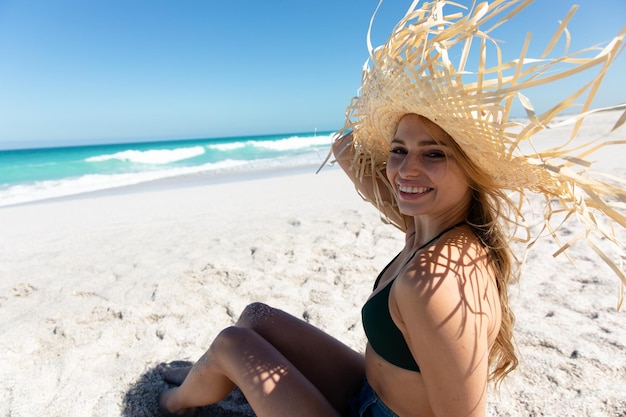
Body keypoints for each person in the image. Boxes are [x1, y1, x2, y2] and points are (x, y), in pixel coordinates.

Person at [157, 1, 625, 416]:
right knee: (256, 317)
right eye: (399, 150)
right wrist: (390, 119)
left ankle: (168, 404)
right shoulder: (429, 226)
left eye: (434, 153)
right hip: (370, 393)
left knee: (232, 344)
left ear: (472, 169)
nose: (406, 170)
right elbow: (346, 147)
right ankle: (208, 374)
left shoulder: (432, 282)